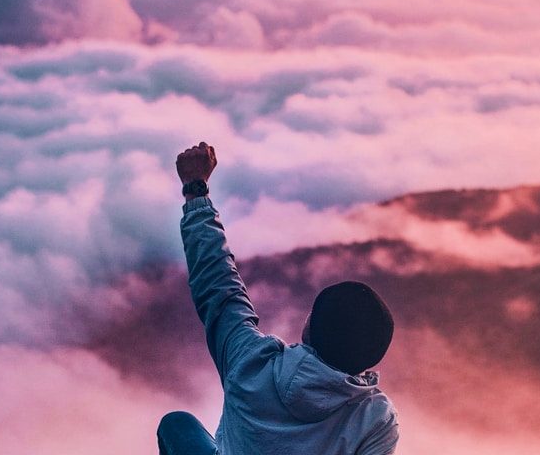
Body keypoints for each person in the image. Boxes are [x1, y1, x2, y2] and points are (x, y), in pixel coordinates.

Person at [158, 142, 399, 455]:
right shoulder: (375, 419)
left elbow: (218, 287)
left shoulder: (250, 362)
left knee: (177, 426)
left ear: (309, 330)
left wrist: (195, 190)